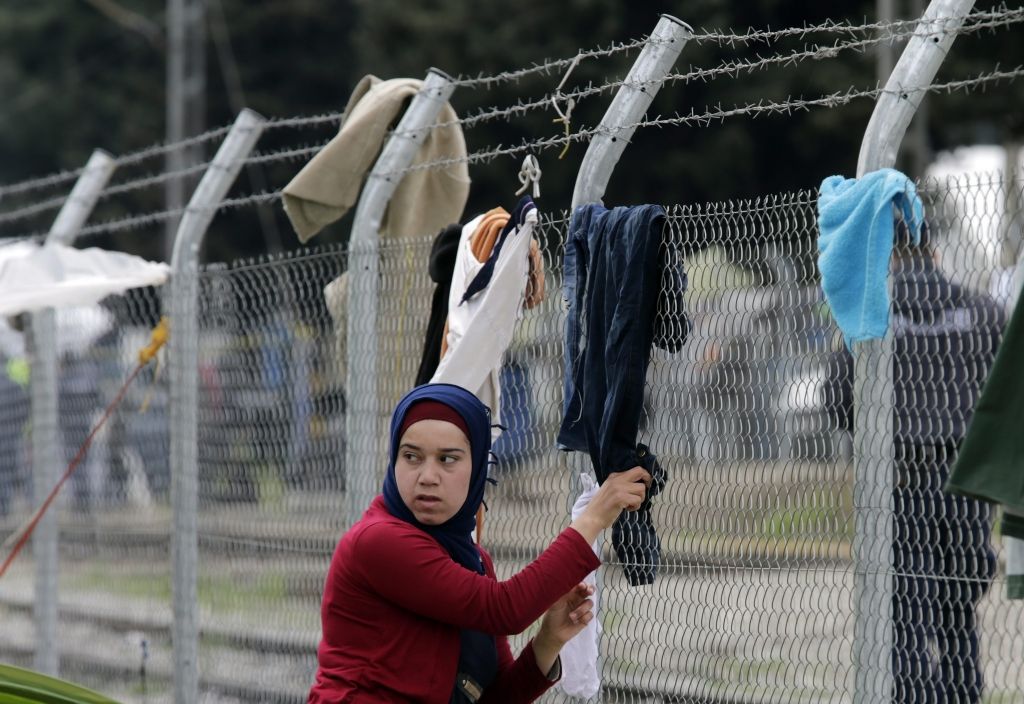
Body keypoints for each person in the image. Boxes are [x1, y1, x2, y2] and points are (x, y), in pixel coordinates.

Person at [308, 382, 651, 703]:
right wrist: (592, 519)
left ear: (476, 468)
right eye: (411, 456)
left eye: (447, 459)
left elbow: (495, 697)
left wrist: (549, 640)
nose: (427, 476)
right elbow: (504, 609)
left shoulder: (473, 560)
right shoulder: (378, 541)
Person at [826, 232, 1004, 704]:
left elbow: (837, 397)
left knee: (904, 616)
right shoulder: (985, 314)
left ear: (886, 254)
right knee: (958, 614)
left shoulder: (870, 318)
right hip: (967, 478)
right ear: (935, 251)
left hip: (898, 478)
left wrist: (878, 436)